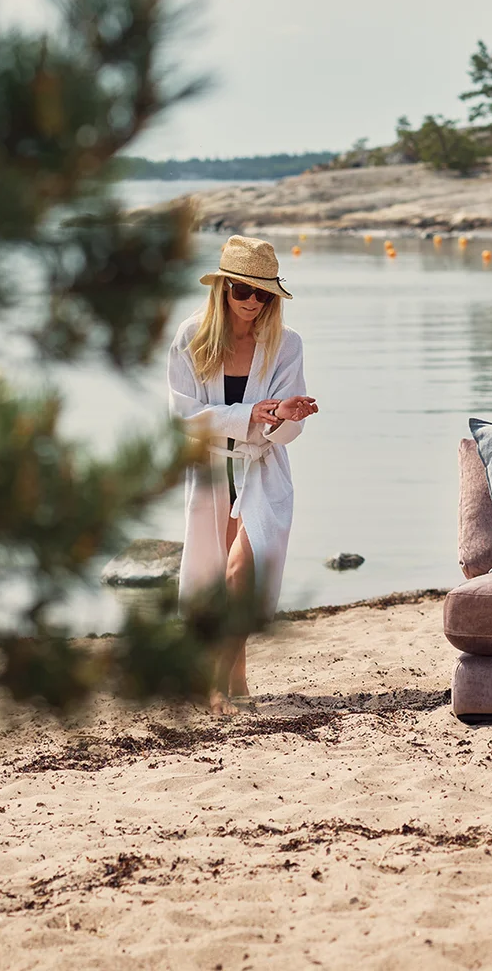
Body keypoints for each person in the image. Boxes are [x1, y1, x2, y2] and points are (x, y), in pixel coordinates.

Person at [166, 235, 317, 711]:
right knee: (216, 582)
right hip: (212, 474)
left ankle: (215, 684)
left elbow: (287, 432)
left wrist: (286, 418)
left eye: (263, 293)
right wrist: (253, 413)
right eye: (243, 291)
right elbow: (182, 420)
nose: (253, 302)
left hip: (262, 471)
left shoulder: (286, 344)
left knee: (239, 574)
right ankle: (238, 676)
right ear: (223, 288)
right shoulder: (191, 338)